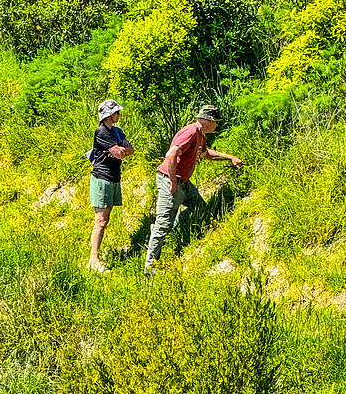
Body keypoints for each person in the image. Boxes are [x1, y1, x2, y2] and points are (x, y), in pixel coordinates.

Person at [144, 105, 243, 274]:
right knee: (162, 225)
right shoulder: (190, 133)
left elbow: (206, 154)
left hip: (184, 183)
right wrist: (173, 182)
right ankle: (150, 266)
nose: (217, 125)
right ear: (208, 121)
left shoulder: (200, 135)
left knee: (199, 208)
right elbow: (171, 154)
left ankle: (171, 225)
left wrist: (230, 158)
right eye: (215, 122)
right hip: (170, 180)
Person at [87, 99, 134, 273]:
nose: (119, 115)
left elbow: (130, 150)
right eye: (116, 112)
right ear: (108, 114)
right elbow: (120, 153)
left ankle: (95, 256)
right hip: (102, 178)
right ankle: (93, 259)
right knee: (100, 220)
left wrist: (121, 150)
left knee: (105, 219)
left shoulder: (117, 131)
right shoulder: (101, 132)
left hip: (114, 177)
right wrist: (120, 149)